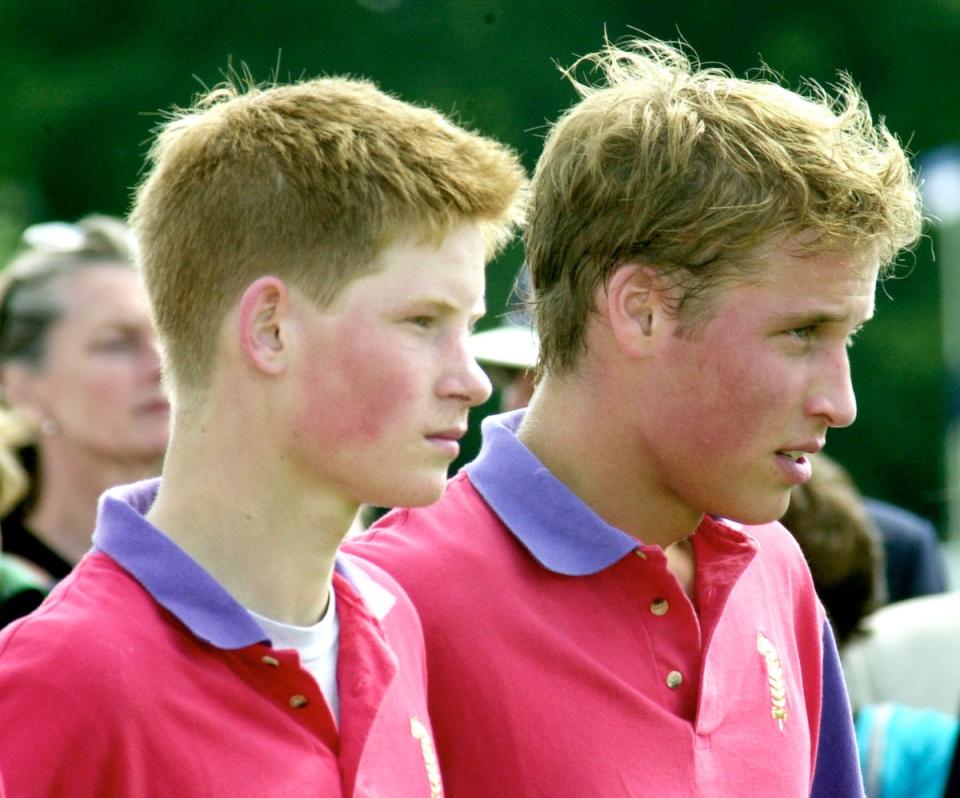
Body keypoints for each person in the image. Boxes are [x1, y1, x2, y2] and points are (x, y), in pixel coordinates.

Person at [349, 37, 922, 797]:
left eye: (845, 339)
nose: (840, 402)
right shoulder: (389, 604)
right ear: (642, 312)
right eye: (801, 334)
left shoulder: (776, 572)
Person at [0, 75, 525, 796]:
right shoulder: (59, 681)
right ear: (270, 329)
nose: (472, 381)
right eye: (423, 322)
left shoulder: (389, 619)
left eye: (468, 328)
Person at [0, 215, 169, 584]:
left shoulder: (225, 568)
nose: (162, 364)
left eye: (168, 337)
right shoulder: (13, 599)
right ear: (22, 389)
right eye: (117, 342)